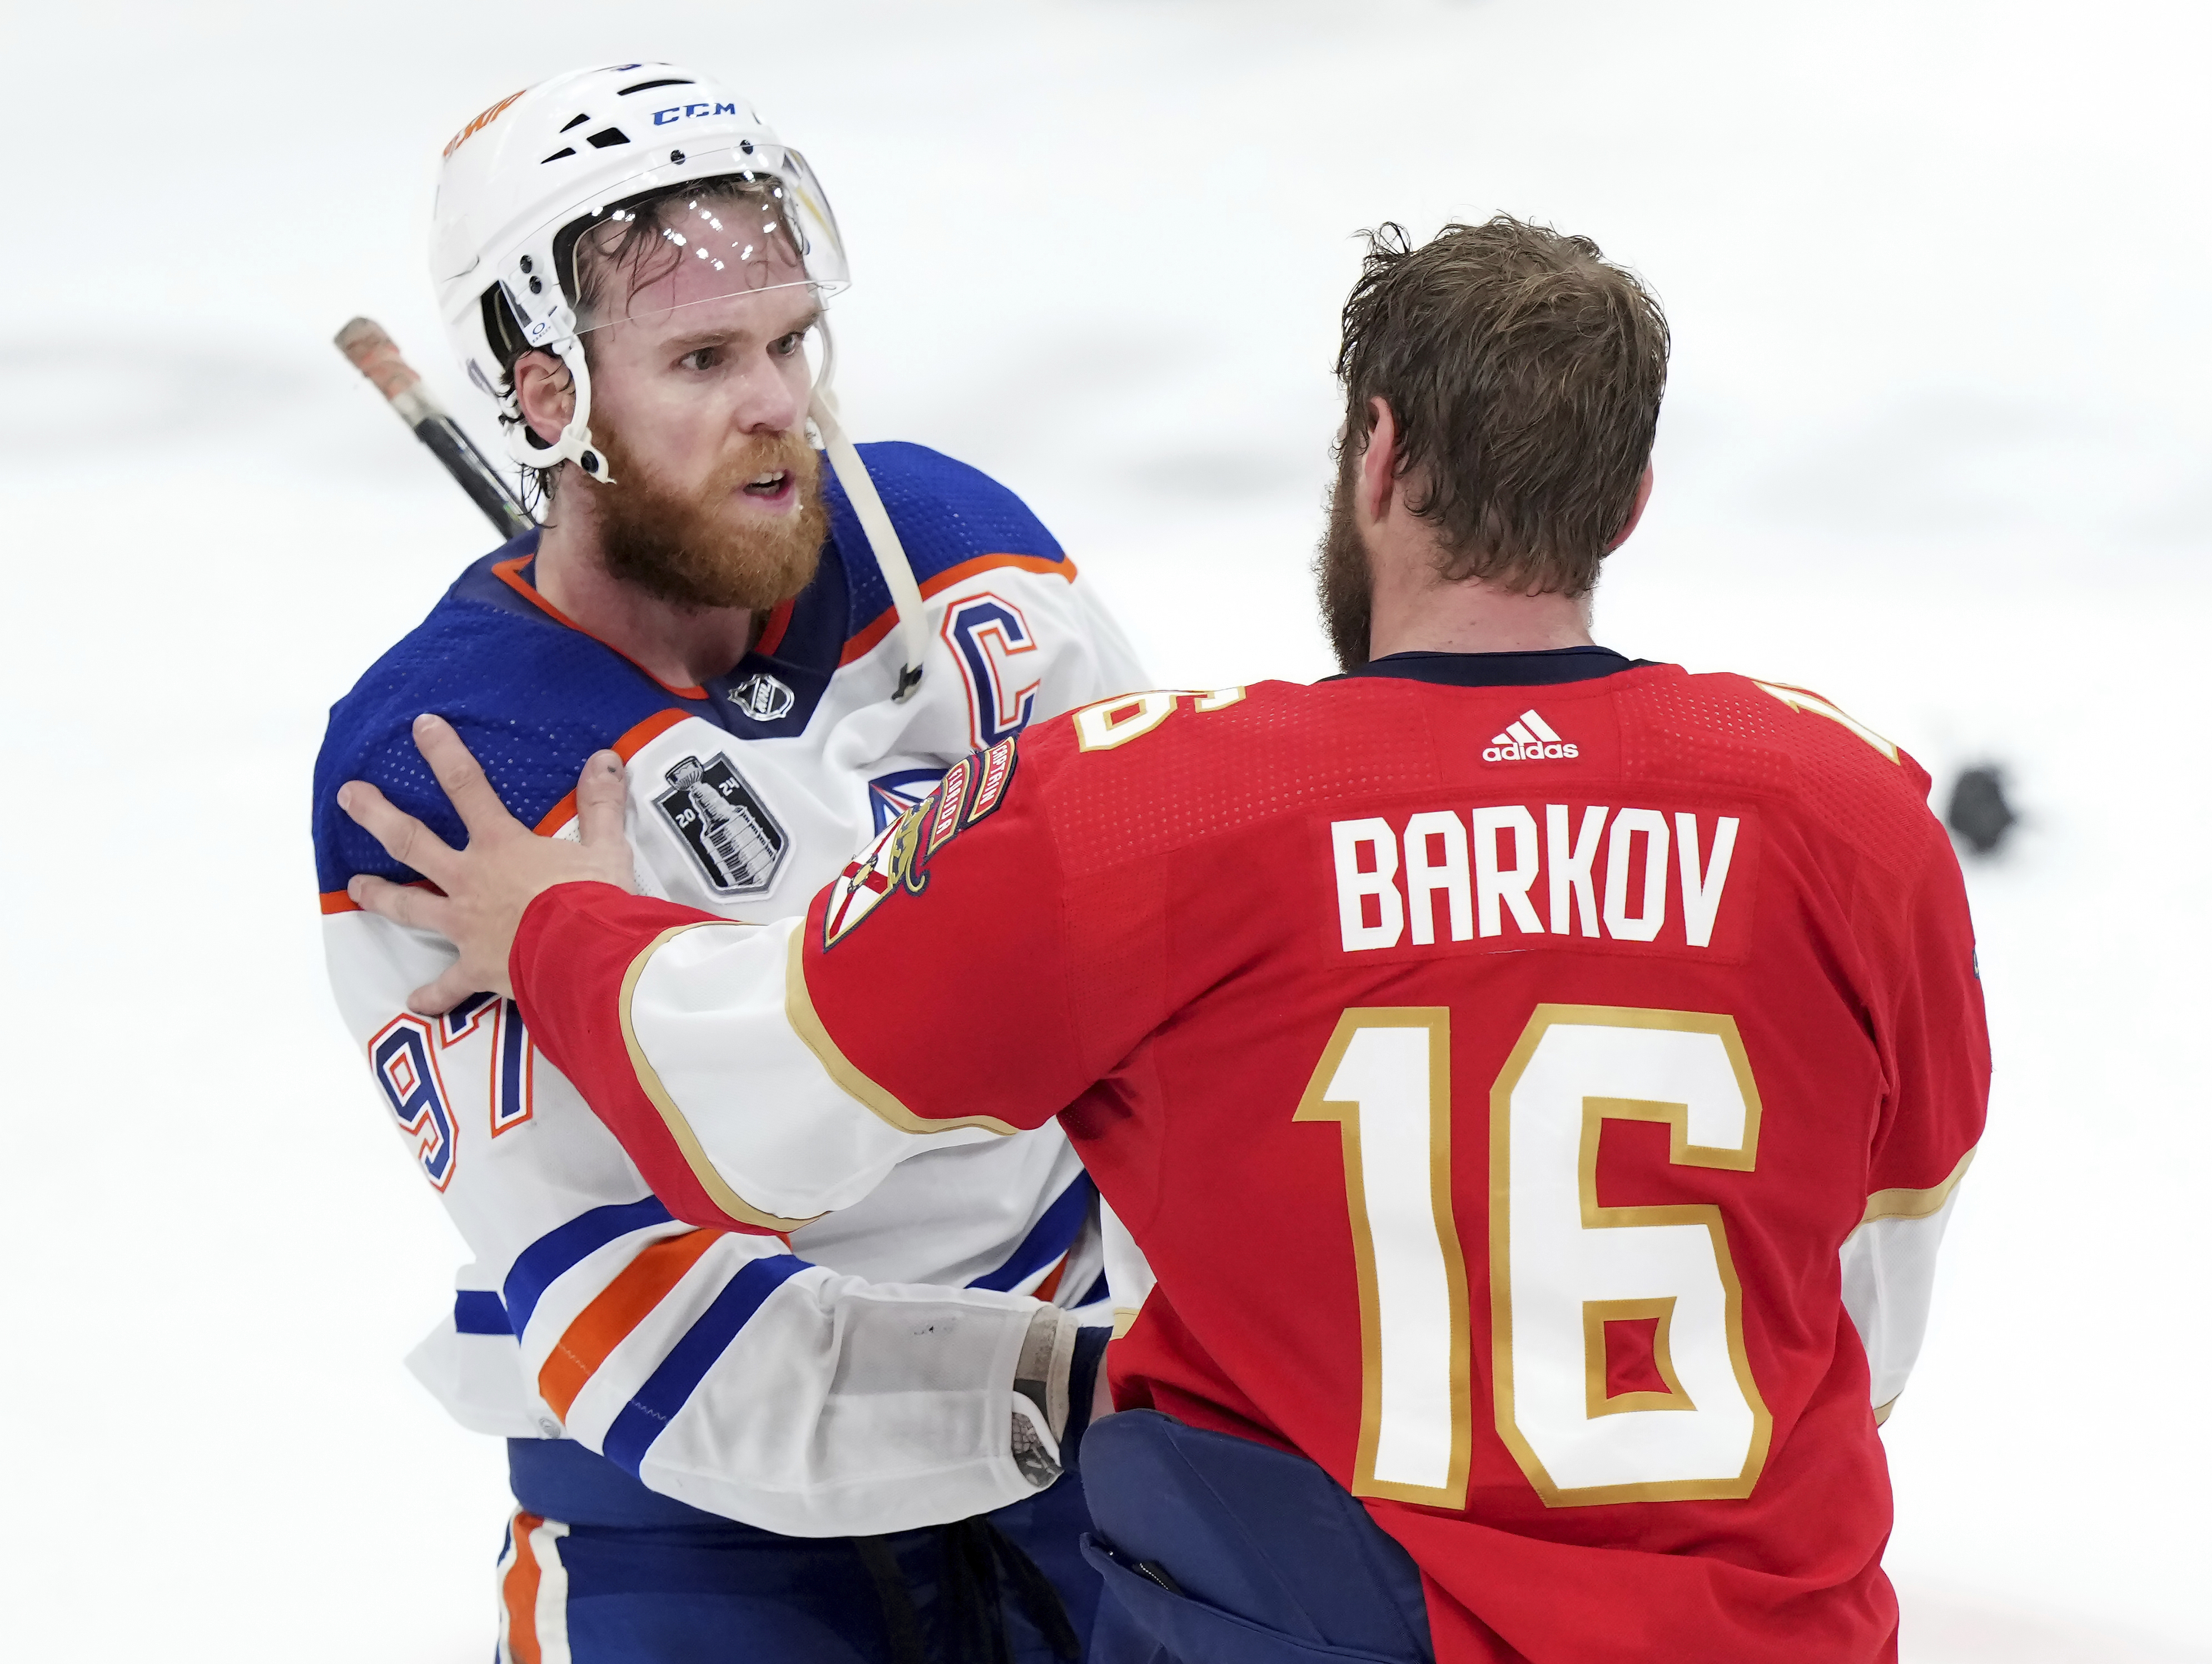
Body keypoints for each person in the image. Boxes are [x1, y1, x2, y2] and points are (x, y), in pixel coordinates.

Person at [342, 218, 1991, 1664]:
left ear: (1375, 453)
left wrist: (554, 918)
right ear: (1629, 498)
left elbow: (749, 1104)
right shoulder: (1850, 801)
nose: (775, 396)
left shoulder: (1169, 807)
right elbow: (1866, 1302)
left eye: (783, 345)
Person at [313, 61, 1150, 1664]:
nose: (779, 402)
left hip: (1095, 1423)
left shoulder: (958, 553)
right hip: (700, 1525)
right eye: (702, 357)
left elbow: (1173, 995)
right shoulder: (451, 771)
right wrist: (1096, 1387)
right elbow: (655, 1343)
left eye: (788, 342)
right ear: (547, 397)